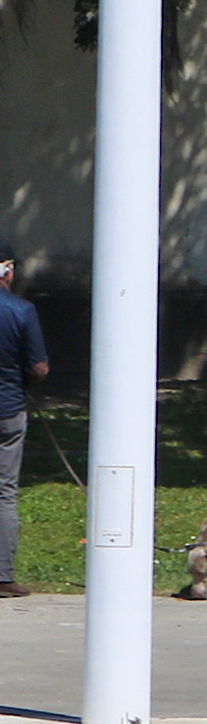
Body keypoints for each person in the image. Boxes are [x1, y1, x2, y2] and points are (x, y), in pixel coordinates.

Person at [0, 242, 49, 599]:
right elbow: (38, 366)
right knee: (3, 492)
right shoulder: (21, 310)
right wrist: (28, 383)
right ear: (7, 270)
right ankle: (3, 576)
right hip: (8, 408)